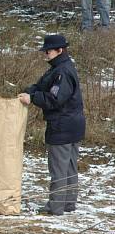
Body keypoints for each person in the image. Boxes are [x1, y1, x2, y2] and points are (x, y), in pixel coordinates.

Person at [18, 35, 85, 216]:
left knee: (59, 169)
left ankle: (55, 207)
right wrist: (30, 91)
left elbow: (55, 99)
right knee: (69, 167)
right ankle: (68, 203)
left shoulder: (62, 72)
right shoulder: (58, 68)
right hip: (73, 124)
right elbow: (42, 86)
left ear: (59, 51)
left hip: (62, 126)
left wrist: (32, 98)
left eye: (48, 51)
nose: (45, 54)